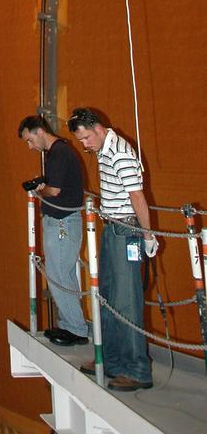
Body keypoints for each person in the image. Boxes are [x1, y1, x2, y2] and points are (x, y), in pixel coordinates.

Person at [67, 107, 158, 392]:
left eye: (85, 138)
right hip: (111, 229)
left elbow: (137, 197)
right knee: (106, 296)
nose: (84, 145)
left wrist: (148, 235)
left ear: (98, 128)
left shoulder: (120, 154)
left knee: (127, 302)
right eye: (80, 140)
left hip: (126, 232)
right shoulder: (104, 149)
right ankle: (112, 359)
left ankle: (138, 370)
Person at [18, 115, 89, 346]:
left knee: (58, 274)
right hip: (65, 221)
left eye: (29, 140)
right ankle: (73, 325)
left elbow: (55, 191)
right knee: (64, 274)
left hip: (62, 222)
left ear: (39, 131)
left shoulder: (58, 153)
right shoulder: (60, 151)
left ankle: (76, 328)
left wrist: (40, 190)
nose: (30, 146)